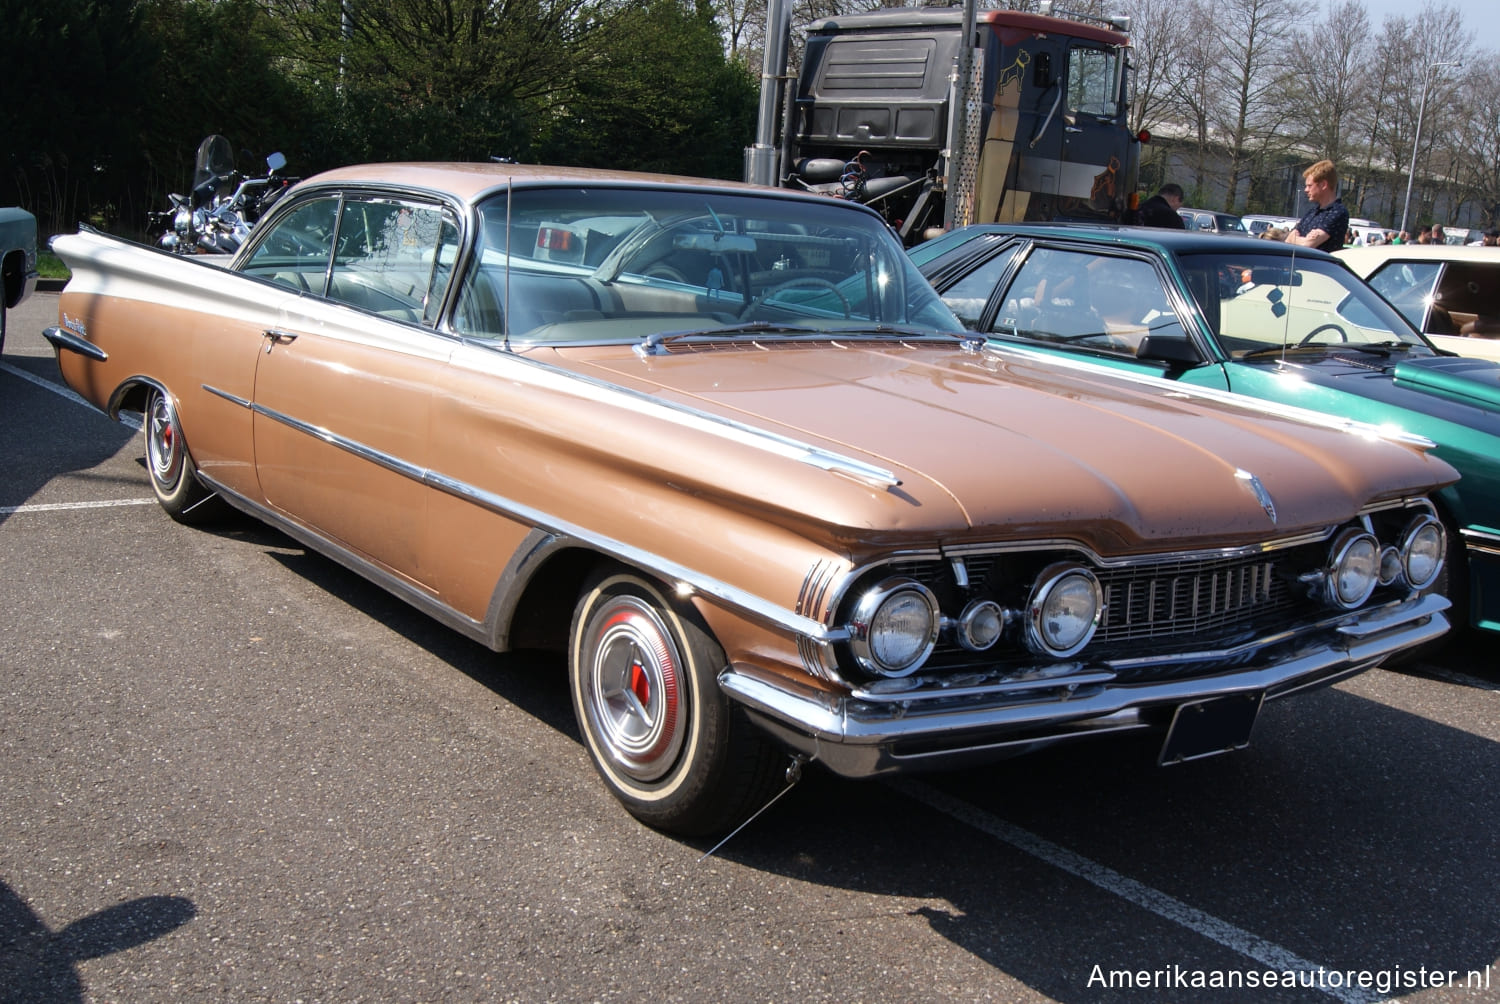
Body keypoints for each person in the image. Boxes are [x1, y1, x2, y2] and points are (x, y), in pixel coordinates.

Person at [1283, 160, 1349, 252]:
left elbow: (1307, 245)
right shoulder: (1312, 213)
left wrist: (1297, 239)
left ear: (1323, 185)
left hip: (1320, 265)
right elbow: (1288, 240)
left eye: (1310, 186)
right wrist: (1301, 239)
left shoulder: (1338, 212)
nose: (1306, 190)